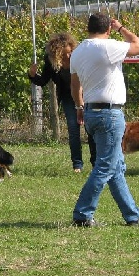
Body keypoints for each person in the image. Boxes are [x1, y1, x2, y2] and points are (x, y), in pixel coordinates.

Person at [70, 13, 139, 227]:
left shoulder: (78, 51)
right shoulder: (108, 46)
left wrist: (79, 106)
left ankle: (132, 215)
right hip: (109, 114)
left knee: (115, 166)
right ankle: (82, 214)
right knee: (105, 166)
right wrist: (121, 28)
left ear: (88, 28)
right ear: (107, 29)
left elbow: (74, 85)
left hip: (90, 112)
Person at [28, 32, 96, 172]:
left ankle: (96, 162)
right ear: (56, 54)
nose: (68, 56)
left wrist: (82, 100)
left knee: (91, 129)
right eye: (64, 54)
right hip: (67, 96)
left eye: (70, 52)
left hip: (86, 95)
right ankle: (77, 165)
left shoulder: (79, 57)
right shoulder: (51, 62)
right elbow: (43, 81)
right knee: (73, 129)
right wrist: (32, 75)